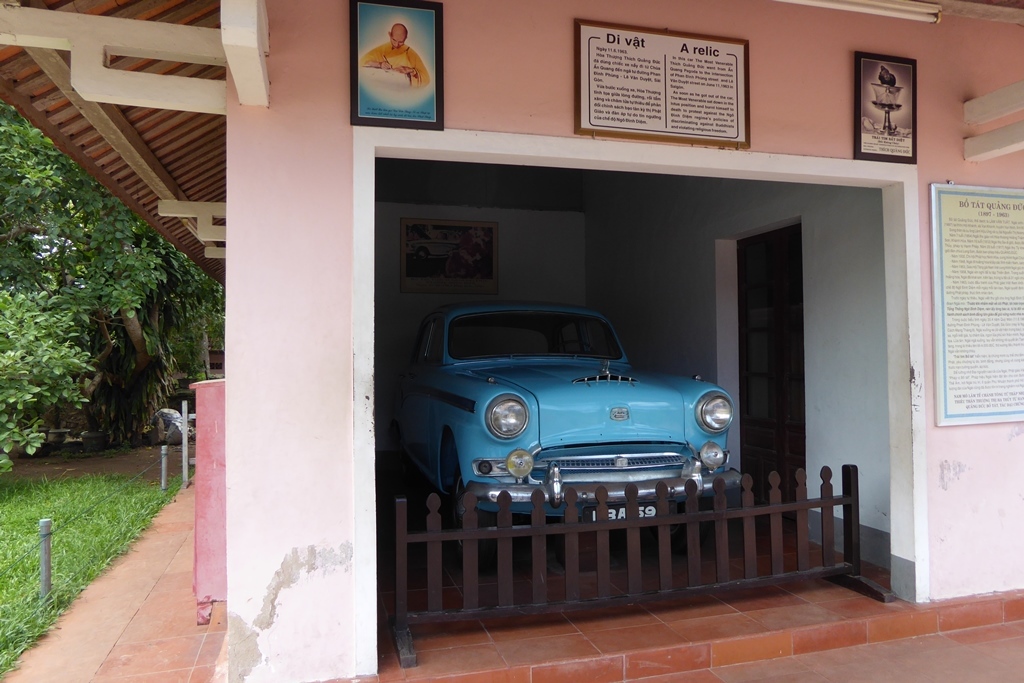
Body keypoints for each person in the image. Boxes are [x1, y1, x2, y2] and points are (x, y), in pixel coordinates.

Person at [360, 23, 430, 87]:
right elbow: (362, 62)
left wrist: (412, 71)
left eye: (401, 42)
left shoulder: (410, 52)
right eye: (394, 40)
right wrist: (380, 64)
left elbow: (426, 79)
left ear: (405, 38)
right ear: (389, 35)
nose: (396, 45)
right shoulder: (382, 49)